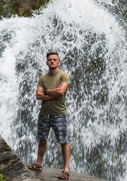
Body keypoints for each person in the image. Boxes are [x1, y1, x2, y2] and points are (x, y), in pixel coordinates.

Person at [27, 51, 71, 180]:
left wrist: (46, 91)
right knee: (42, 138)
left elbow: (61, 91)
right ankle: (38, 164)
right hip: (44, 113)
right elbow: (38, 95)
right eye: (50, 60)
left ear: (58, 62)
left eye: (54, 60)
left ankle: (66, 169)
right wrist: (53, 94)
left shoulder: (64, 75)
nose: (52, 61)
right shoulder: (43, 78)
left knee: (63, 141)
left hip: (59, 114)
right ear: (47, 62)